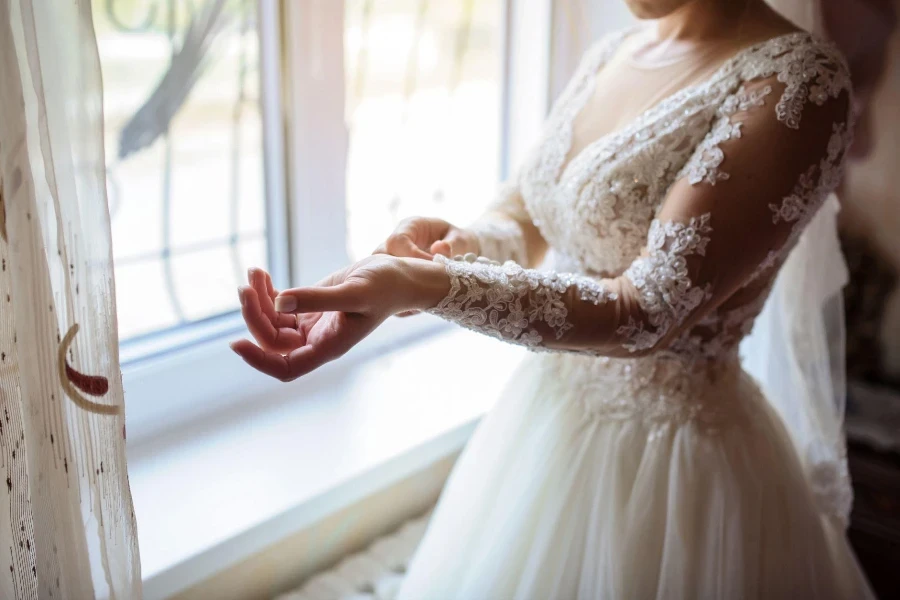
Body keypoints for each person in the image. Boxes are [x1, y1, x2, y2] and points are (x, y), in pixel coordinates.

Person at [232, 0, 875, 596]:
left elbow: (644, 312)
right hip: (548, 421)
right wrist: (441, 248)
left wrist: (425, 287)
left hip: (673, 470)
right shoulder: (615, 50)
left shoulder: (798, 83)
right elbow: (526, 220)